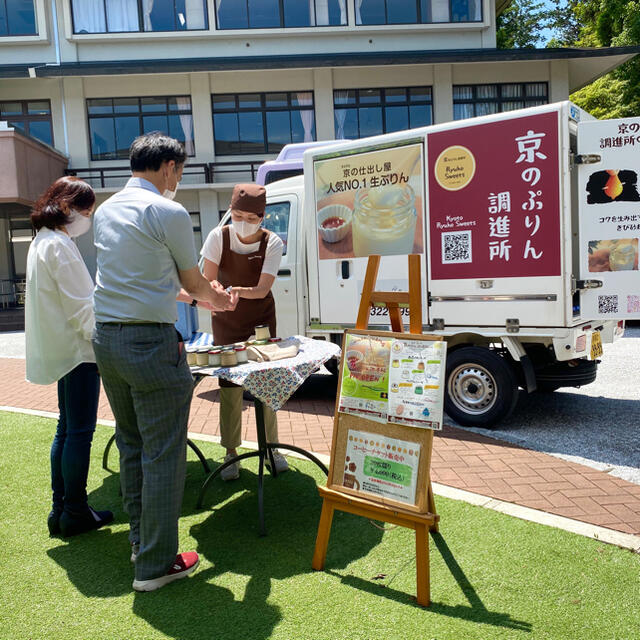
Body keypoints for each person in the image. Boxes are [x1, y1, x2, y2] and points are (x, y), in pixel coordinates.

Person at [92, 133, 235, 593]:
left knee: (133, 445)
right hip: (149, 344)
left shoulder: (106, 209)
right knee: (163, 454)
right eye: (181, 171)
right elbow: (194, 284)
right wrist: (220, 302)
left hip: (107, 340)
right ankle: (155, 565)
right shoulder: (168, 211)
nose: (179, 179)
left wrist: (202, 298)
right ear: (170, 167)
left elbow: (143, 279)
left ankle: (142, 545)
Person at [25, 176, 114, 538]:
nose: (88, 218)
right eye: (87, 210)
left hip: (62, 352)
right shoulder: (59, 245)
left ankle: (61, 508)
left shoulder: (41, 242)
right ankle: (74, 511)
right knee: (78, 432)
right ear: (67, 206)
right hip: (79, 353)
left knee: (66, 431)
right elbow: (83, 311)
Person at [201, 183, 289, 481]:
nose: (242, 222)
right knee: (230, 389)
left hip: (260, 320)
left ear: (262, 216)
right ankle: (230, 452)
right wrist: (215, 291)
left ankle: (272, 449)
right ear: (230, 211)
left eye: (251, 218)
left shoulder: (272, 242)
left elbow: (263, 288)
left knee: (267, 385)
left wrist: (233, 290)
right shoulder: (218, 236)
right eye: (237, 214)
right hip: (226, 321)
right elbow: (206, 279)